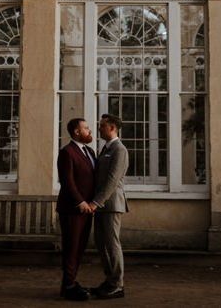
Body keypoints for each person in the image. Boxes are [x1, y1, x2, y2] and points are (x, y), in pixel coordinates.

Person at [89, 113, 129, 300]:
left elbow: (112, 180)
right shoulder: (106, 148)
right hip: (102, 204)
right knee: (101, 243)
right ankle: (110, 280)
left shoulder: (119, 150)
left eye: (102, 126)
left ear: (112, 127)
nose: (99, 128)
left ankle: (117, 284)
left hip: (111, 204)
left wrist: (97, 201)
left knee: (112, 244)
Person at [57, 117, 97, 301]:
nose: (90, 131)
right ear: (76, 132)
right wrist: (80, 202)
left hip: (88, 209)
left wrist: (93, 203)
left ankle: (71, 282)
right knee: (71, 248)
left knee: (80, 248)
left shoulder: (89, 151)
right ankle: (68, 287)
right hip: (73, 209)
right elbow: (68, 181)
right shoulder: (67, 152)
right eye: (86, 128)